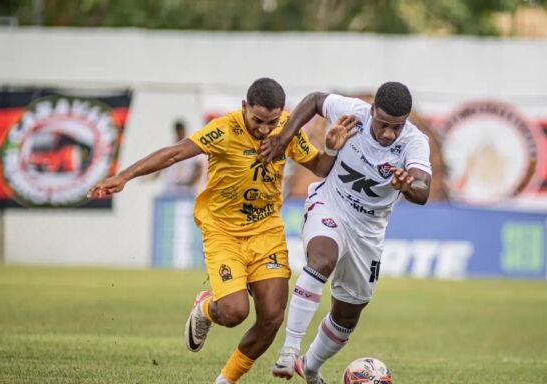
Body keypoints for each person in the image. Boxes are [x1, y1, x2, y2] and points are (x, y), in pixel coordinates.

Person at [87, 78, 358, 383]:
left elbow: (320, 168)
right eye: (258, 120)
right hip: (223, 232)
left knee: (271, 317)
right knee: (233, 312)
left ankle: (225, 380)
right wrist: (123, 176)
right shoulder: (224, 130)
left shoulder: (287, 130)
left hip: (265, 231)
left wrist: (332, 150)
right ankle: (205, 309)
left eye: (272, 121)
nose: (265, 129)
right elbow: (176, 153)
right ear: (244, 108)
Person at [260, 82, 432, 383]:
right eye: (383, 124)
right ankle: (289, 349)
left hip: (368, 231)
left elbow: (423, 190)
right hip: (331, 205)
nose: (389, 133)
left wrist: (409, 186)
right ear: (372, 111)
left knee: (347, 315)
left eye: (397, 126)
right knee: (321, 261)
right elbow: (314, 100)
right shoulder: (354, 113)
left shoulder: (415, 142)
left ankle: (309, 366)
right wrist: (282, 137)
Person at [157, 120, 203, 196]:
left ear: (184, 131)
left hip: (188, 188)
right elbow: (162, 165)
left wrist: (193, 183)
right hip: (171, 187)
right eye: (178, 132)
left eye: (181, 131)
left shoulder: (192, 146)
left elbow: (198, 168)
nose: (180, 134)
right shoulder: (170, 147)